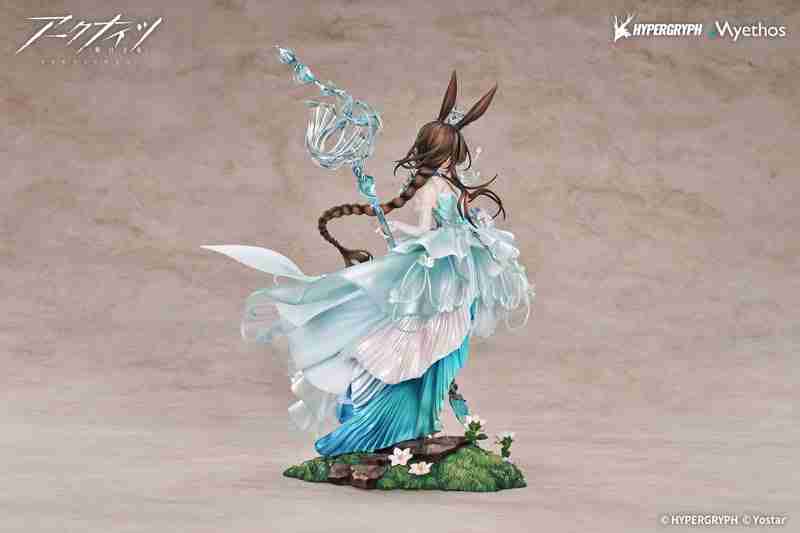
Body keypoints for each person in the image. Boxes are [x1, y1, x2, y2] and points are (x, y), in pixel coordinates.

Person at [203, 71, 534, 457]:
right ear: (440, 155)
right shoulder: (432, 189)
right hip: (439, 276)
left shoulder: (444, 186)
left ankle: (422, 421)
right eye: (450, 156)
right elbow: (427, 231)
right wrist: (408, 233)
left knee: (446, 347)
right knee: (429, 344)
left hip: (453, 273)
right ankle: (403, 422)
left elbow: (448, 227)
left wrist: (463, 228)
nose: (453, 163)